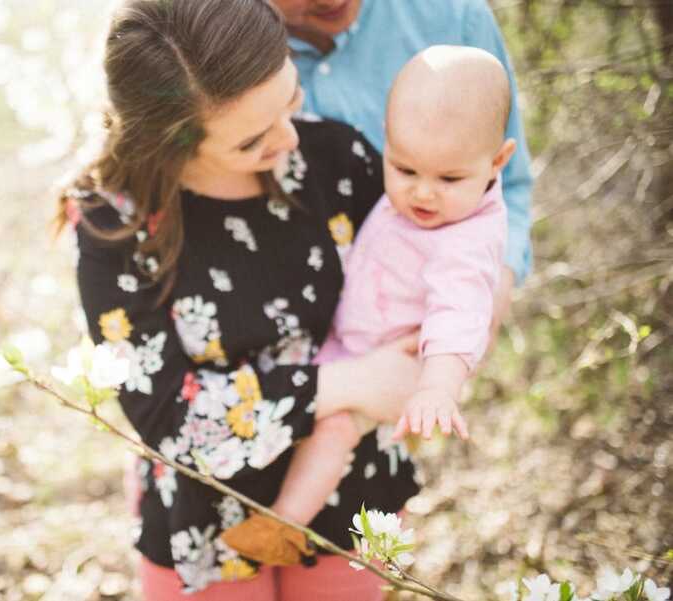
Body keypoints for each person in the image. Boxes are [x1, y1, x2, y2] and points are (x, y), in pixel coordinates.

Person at [56, 0, 422, 598]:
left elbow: (415, 283)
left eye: (290, 99)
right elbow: (166, 415)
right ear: (171, 144)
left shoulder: (340, 160)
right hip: (203, 510)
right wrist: (351, 384)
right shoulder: (115, 223)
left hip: (348, 483)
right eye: (251, 141)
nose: (288, 138)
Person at [221, 46, 516, 560]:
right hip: (348, 337)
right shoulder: (429, 191)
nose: (423, 193)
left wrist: (437, 388)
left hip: (391, 360)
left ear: (497, 162)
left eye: (449, 179)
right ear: (387, 142)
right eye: (404, 170)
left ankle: (282, 525)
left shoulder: (466, 241)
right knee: (292, 408)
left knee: (332, 429)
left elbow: (460, 312)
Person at [270, 0, 534, 329]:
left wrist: (496, 288)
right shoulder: (215, 46)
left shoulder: (455, 16)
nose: (333, 0)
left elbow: (510, 184)